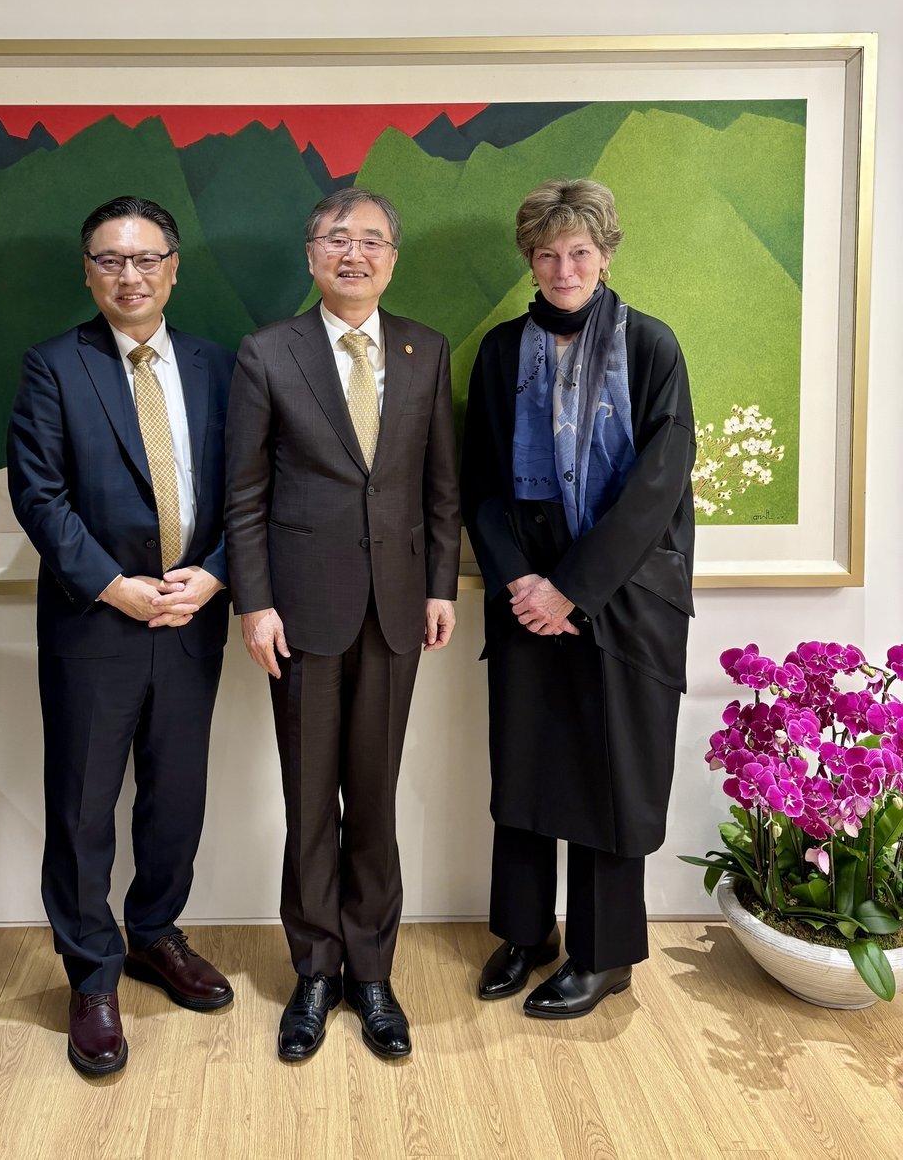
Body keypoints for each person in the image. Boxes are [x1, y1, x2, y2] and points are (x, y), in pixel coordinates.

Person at [225, 186, 460, 1063]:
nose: (353, 253)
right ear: (311, 254)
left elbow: (441, 486)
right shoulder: (268, 353)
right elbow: (245, 493)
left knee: (375, 798)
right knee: (308, 799)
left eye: (370, 241)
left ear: (392, 258)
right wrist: (254, 601)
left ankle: (373, 974)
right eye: (336, 239)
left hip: (398, 608)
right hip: (301, 612)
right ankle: (314, 972)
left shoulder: (426, 349)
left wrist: (441, 585)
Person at [8, 196, 235, 1078]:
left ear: (173, 267)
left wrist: (213, 574)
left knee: (177, 797)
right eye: (110, 259)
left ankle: (154, 933)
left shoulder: (219, 366)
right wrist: (114, 586)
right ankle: (92, 974)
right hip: (95, 621)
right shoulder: (52, 365)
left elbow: (251, 488)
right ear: (88, 271)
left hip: (191, 616)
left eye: (145, 259)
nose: (128, 275)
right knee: (82, 806)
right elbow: (39, 494)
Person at [461, 177, 695, 1019]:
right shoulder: (501, 351)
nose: (564, 270)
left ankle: (605, 954)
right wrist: (521, 581)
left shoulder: (652, 346)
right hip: (525, 591)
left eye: (580, 253)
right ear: (530, 259)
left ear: (605, 256)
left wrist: (573, 589)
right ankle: (526, 934)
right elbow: (480, 481)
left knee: (612, 774)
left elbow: (659, 484)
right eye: (548, 254)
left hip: (624, 595)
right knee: (524, 765)